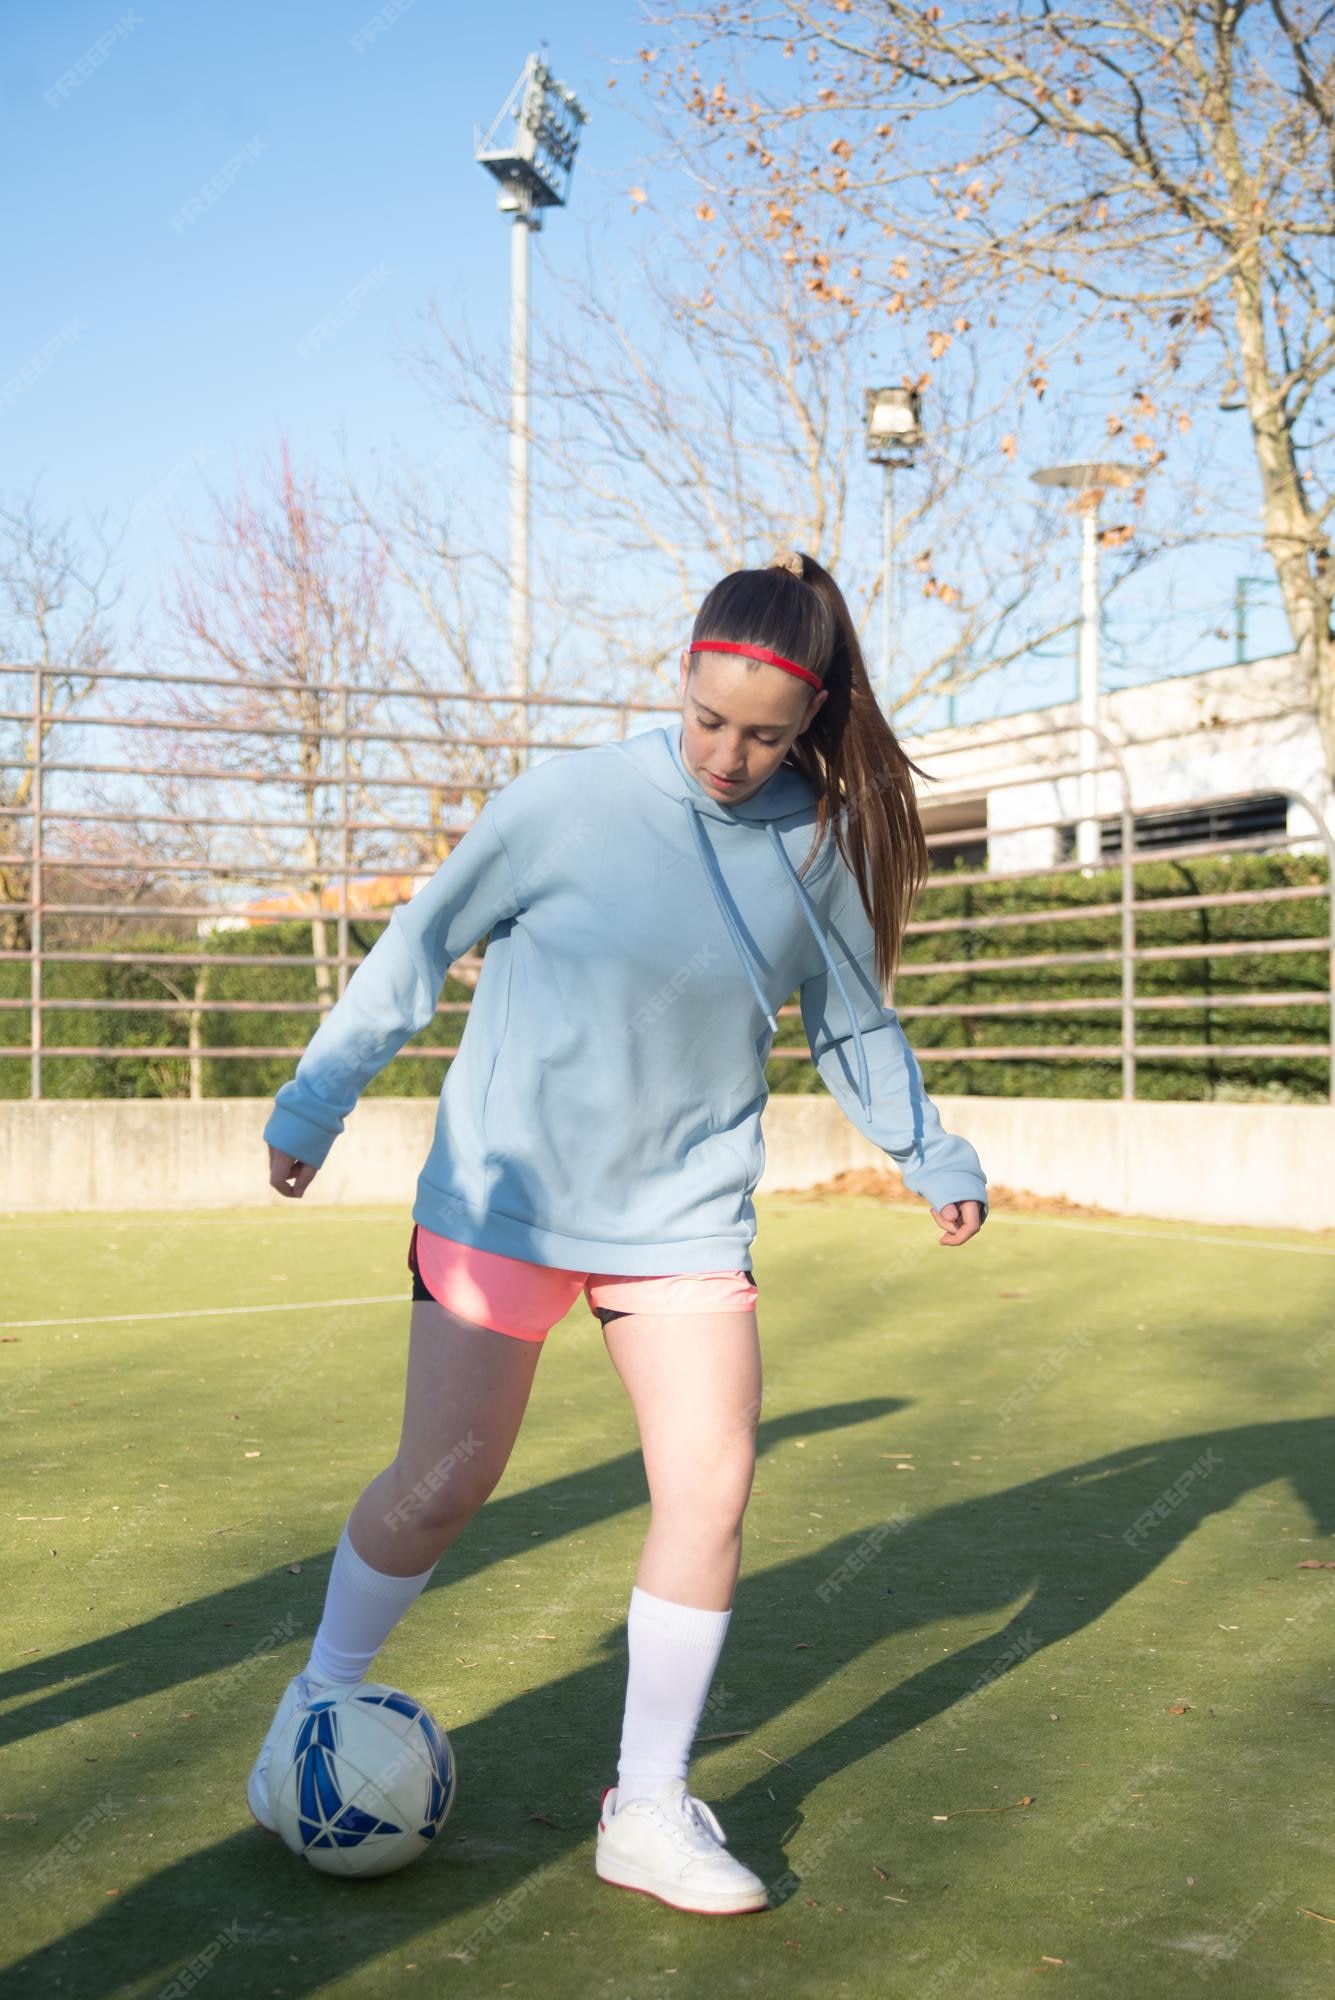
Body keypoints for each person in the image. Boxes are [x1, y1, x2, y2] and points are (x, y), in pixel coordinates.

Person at [248, 549, 988, 1916]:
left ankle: (645, 1808)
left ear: (812, 723)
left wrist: (925, 1150)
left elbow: (852, 1020)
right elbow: (413, 948)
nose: (726, 755)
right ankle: (318, 1701)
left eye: (765, 737)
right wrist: (315, 1099)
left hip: (684, 1216)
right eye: (708, 720)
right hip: (504, 1200)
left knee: (710, 1488)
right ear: (683, 680)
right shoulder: (565, 804)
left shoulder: (813, 837)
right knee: (448, 1478)